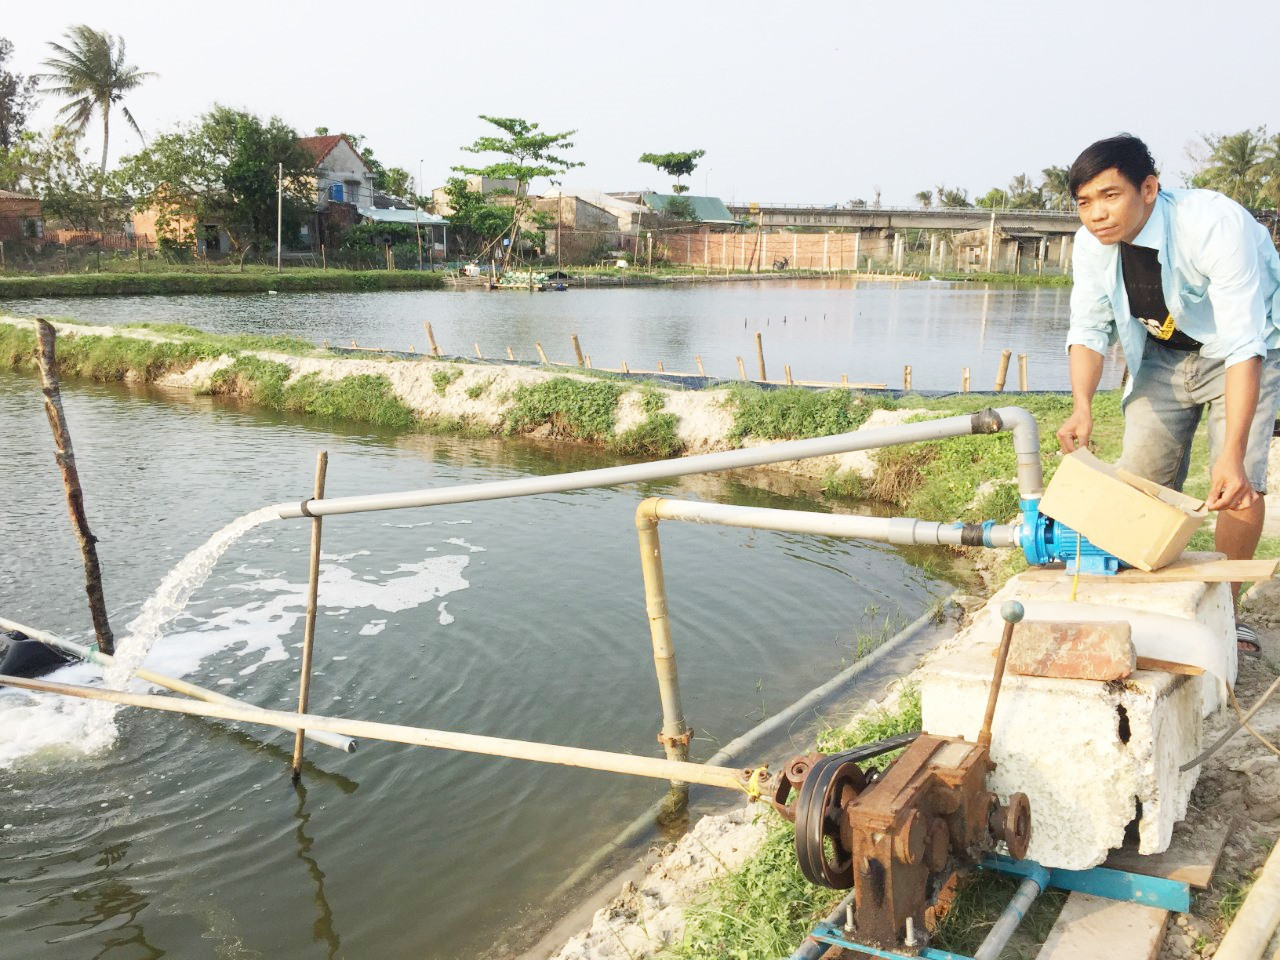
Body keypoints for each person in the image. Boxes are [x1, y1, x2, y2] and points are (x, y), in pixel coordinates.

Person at [1056, 134, 1280, 651]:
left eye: (1111, 196)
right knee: (1136, 478)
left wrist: (1230, 455)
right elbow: (1088, 329)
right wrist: (1082, 408)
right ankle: (1149, 605)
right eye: (1085, 202)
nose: (1097, 214)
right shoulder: (1091, 244)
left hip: (1246, 350)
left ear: (1149, 188)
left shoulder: (1211, 224)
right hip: (1162, 352)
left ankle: (1227, 613)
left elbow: (1246, 341)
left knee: (1237, 484)